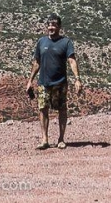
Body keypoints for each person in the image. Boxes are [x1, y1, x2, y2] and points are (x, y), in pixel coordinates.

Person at [26, 13, 82, 150]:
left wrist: (77, 79)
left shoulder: (66, 42)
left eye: (54, 25)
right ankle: (44, 139)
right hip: (43, 82)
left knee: (61, 109)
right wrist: (30, 80)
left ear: (59, 27)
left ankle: (61, 139)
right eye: (49, 24)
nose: (51, 27)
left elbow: (72, 60)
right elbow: (36, 62)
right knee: (42, 109)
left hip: (60, 82)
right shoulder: (41, 42)